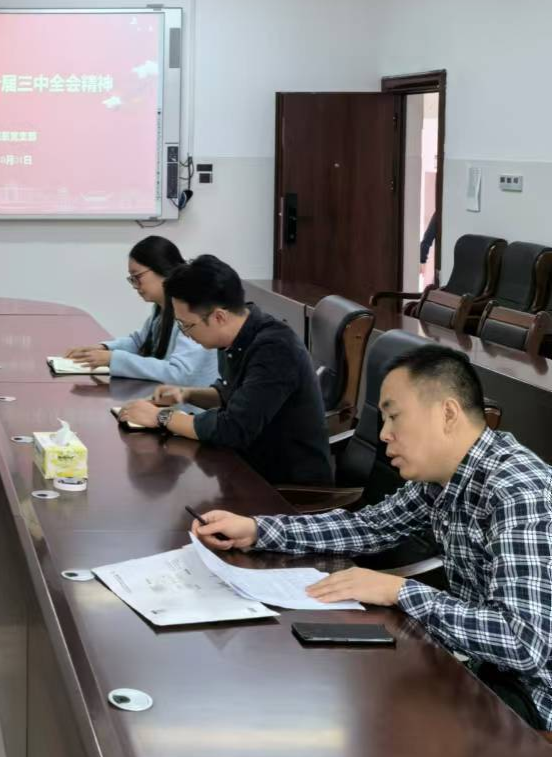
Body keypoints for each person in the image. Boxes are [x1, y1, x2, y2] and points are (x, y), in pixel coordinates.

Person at [191, 345, 552, 730]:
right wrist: (258, 529)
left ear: (447, 413)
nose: (384, 434)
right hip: (482, 666)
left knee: (365, 716)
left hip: (534, 696)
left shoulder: (518, 493)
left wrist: (399, 591)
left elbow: (523, 643)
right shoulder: (443, 478)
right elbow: (369, 527)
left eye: (395, 417)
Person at [118, 254, 332, 486]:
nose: (186, 334)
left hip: (285, 487)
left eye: (186, 325)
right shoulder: (235, 335)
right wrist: (186, 394)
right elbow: (231, 394)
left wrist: (161, 417)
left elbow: (233, 429)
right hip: (246, 467)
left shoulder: (275, 350)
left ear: (219, 316)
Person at [64, 236, 218, 385]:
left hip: (191, 400)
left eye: (137, 277)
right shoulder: (161, 307)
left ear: (162, 268)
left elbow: (179, 373)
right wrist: (103, 349)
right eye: (132, 279)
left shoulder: (190, 312)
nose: (135, 285)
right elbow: (140, 341)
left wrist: (114, 359)